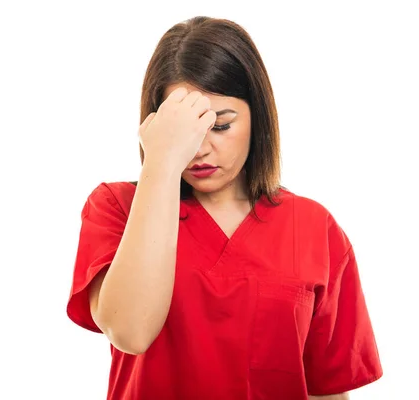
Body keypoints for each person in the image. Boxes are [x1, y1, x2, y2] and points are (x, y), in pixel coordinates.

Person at [66, 16, 383, 400]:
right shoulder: (115, 208)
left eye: (220, 126)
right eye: (186, 130)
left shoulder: (315, 228)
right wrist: (162, 163)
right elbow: (130, 330)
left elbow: (327, 387)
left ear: (257, 117)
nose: (199, 149)